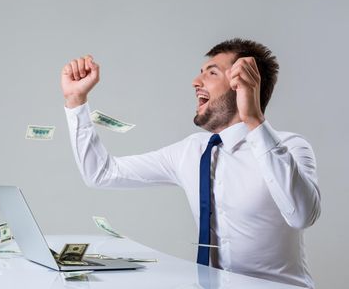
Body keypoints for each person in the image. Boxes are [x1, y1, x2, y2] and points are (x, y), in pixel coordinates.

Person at [60, 38, 320, 288]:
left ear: (244, 84)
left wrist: (254, 119)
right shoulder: (192, 151)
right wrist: (75, 102)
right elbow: (101, 173)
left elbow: (302, 215)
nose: (196, 82)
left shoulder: (291, 147)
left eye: (212, 73)